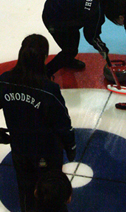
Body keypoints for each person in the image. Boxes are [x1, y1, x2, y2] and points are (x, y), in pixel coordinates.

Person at [0, 34, 76, 212]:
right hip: (48, 154)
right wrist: (71, 147)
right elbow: (63, 123)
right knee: (53, 195)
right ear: (43, 58)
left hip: (21, 151)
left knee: (27, 193)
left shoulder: (4, 81)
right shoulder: (48, 89)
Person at [42, 0, 109, 78]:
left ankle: (67, 60)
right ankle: (44, 74)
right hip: (54, 19)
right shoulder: (96, 13)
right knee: (70, 50)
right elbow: (91, 36)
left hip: (54, 2)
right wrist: (102, 48)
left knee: (72, 39)